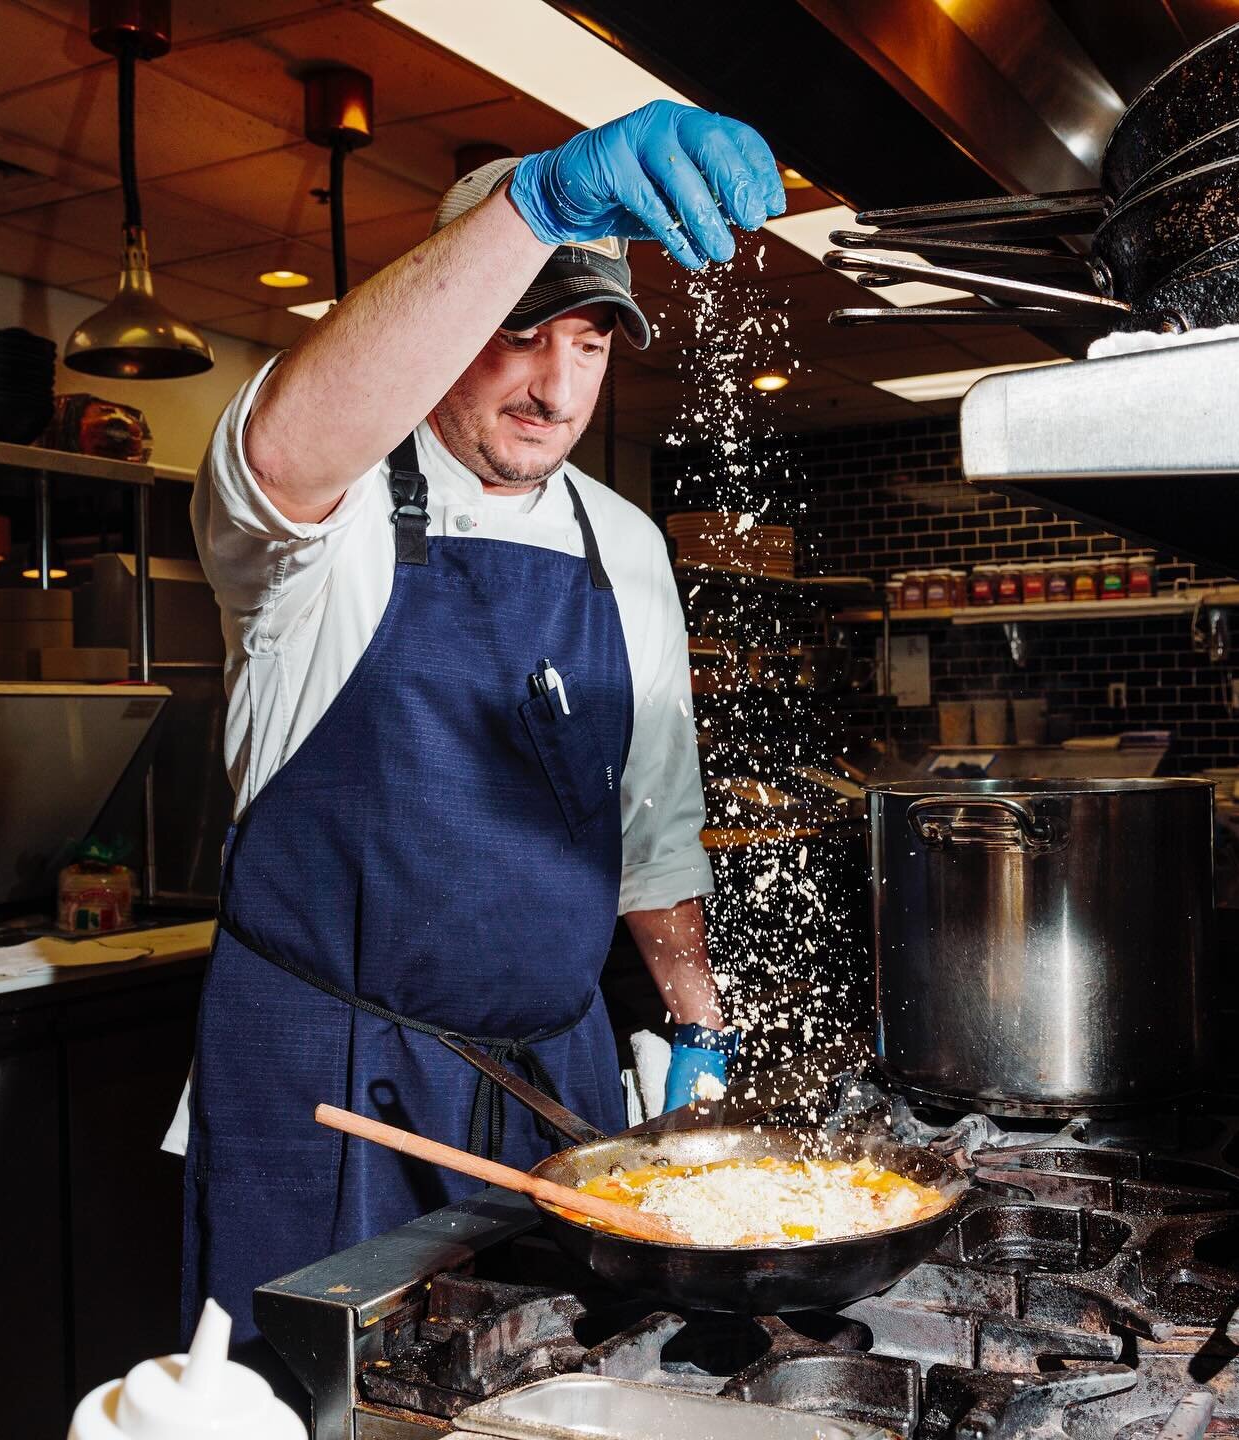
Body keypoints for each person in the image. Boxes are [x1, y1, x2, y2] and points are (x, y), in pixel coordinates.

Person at [179, 100, 786, 1351]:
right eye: (520, 334)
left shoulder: (623, 545)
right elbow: (274, 458)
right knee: (306, 1405)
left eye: (591, 345)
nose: (555, 387)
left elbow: (654, 819)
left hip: (551, 1087)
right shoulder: (335, 512)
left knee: (548, 1395)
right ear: (455, 322)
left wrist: (695, 1023)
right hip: (325, 1085)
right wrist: (539, 211)